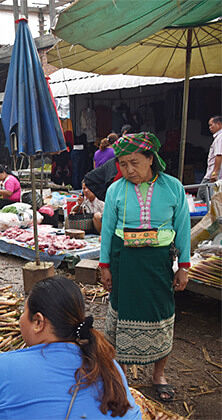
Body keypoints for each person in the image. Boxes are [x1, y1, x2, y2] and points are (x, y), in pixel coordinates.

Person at [0, 276, 141, 420]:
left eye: (24, 312)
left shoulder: (3, 368)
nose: (21, 319)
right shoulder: (109, 366)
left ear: (38, 322)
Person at [100, 132, 190, 402]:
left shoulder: (173, 188)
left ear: (151, 159)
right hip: (123, 261)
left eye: (135, 162)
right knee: (122, 317)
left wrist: (183, 266)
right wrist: (105, 266)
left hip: (158, 263)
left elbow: (183, 228)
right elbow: (106, 231)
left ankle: (158, 375)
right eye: (123, 164)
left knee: (162, 316)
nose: (129, 170)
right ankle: (123, 375)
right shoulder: (115, 190)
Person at [197, 115, 222, 201]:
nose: (210, 127)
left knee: (203, 196)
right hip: (212, 174)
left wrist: (215, 173)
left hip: (212, 175)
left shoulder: (220, 137)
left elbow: (219, 155)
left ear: (218, 124)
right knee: (205, 196)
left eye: (211, 125)